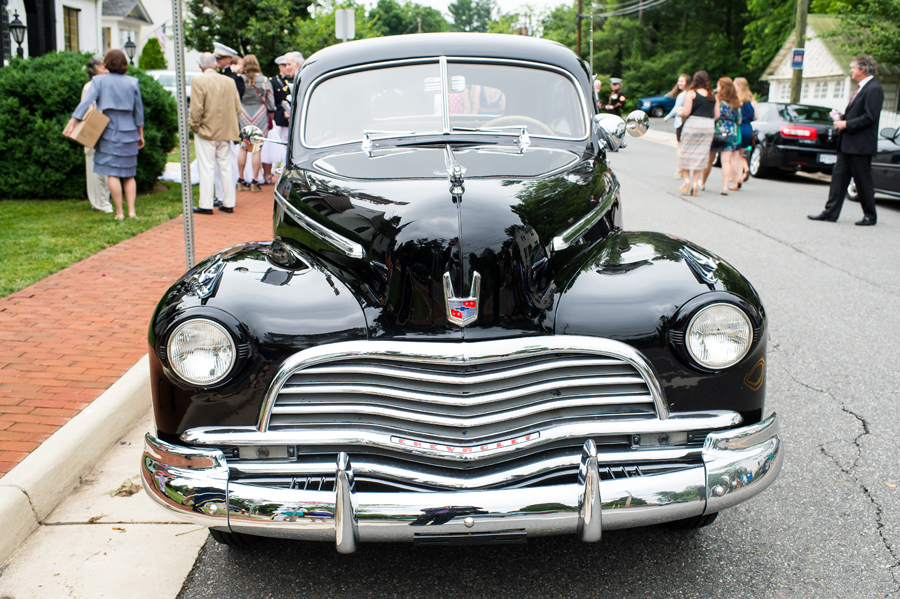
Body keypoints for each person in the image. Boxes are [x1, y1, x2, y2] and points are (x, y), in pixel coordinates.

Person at [63, 49, 144, 221]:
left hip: (108, 130)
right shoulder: (133, 82)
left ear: (107, 63)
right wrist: (140, 133)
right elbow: (139, 112)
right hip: (129, 130)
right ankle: (132, 211)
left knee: (113, 173)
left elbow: (85, 103)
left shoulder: (99, 81)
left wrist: (72, 122)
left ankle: (119, 212)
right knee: (129, 174)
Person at [809, 54, 884, 226]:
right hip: (847, 145)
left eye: (853, 67)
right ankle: (830, 212)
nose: (850, 70)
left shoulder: (874, 89)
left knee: (863, 182)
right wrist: (842, 117)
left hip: (860, 146)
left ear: (862, 69)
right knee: (838, 179)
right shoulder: (860, 88)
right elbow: (859, 114)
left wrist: (846, 124)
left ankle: (870, 216)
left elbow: (870, 117)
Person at [189, 52, 241, 215]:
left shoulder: (198, 80)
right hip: (225, 132)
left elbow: (196, 108)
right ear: (215, 64)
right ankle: (228, 202)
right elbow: (237, 109)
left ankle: (206, 204)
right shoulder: (229, 81)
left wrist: (194, 126)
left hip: (206, 131)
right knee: (226, 167)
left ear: (200, 65)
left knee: (207, 168)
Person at [236, 54, 275, 192]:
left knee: (243, 147)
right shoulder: (264, 80)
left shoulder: (240, 80)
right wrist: (271, 114)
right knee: (256, 149)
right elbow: (270, 101)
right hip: (260, 116)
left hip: (244, 115)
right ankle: (255, 181)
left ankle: (240, 180)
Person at [677, 70, 719, 196]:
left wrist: (680, 113)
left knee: (686, 151)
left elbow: (686, 112)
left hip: (693, 124)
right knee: (701, 154)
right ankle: (696, 183)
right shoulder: (712, 95)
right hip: (708, 126)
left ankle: (686, 180)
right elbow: (717, 115)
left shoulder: (691, 93)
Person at [81, 55, 112, 213]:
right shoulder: (89, 87)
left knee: (105, 169)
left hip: (108, 131)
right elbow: (88, 110)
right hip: (95, 130)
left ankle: (103, 200)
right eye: (102, 67)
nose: (106, 70)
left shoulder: (108, 85)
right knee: (95, 168)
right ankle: (99, 203)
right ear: (94, 70)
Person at [714, 77, 743, 195]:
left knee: (713, 158)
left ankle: (702, 182)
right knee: (726, 161)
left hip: (719, 131)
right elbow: (739, 120)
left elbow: (715, 115)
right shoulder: (735, 102)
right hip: (732, 132)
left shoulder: (718, 100)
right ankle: (725, 186)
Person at [663, 73, 691, 179]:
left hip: (680, 122)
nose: (679, 83)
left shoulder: (683, 94)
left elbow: (676, 108)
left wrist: (667, 117)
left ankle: (680, 168)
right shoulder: (690, 93)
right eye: (679, 81)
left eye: (682, 81)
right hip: (687, 123)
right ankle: (684, 168)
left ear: (687, 83)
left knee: (680, 147)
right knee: (685, 147)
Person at [734, 77, 758, 184]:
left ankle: (736, 178)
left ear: (738, 86)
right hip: (748, 129)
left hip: (738, 128)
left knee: (734, 156)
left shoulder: (737, 100)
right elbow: (756, 117)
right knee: (740, 154)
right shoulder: (752, 100)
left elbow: (736, 118)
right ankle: (744, 169)